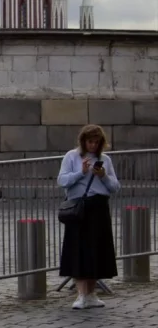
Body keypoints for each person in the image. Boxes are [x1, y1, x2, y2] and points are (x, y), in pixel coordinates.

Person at [57, 124, 120, 309]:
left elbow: (115, 187)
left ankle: (91, 293)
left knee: (96, 251)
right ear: (83, 141)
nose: (93, 145)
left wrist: (103, 176)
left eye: (96, 142)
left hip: (99, 207)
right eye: (90, 141)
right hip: (79, 208)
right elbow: (62, 180)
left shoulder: (105, 159)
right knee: (78, 250)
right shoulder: (71, 156)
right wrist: (81, 173)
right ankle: (81, 294)